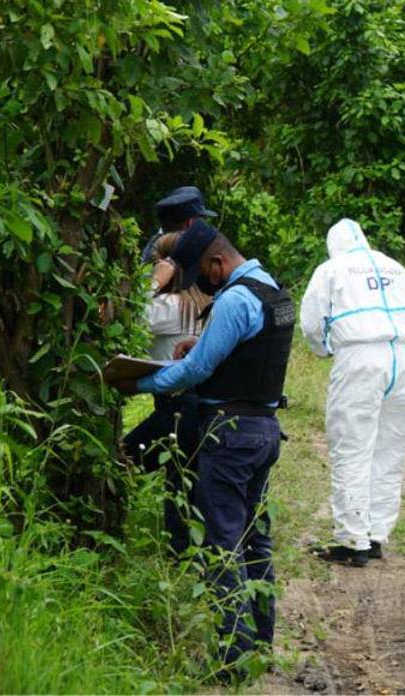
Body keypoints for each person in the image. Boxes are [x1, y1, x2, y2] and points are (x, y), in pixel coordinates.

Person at [116, 220, 292, 677]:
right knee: (256, 538)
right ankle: (261, 643)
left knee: (222, 543)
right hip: (264, 429)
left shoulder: (234, 298)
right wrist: (204, 342)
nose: (205, 284)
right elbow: (250, 352)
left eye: (204, 274)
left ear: (217, 261)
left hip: (229, 436)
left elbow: (194, 371)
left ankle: (232, 657)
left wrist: (133, 383)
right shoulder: (272, 290)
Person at [300, 219, 405, 567]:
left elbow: (311, 322)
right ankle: (376, 533)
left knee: (351, 446)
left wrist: (324, 349)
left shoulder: (331, 269)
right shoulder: (395, 267)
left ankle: (353, 540)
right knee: (391, 447)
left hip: (360, 356)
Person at [122, 188, 216, 557]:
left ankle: (182, 556)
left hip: (177, 404)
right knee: (185, 481)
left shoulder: (169, 306)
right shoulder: (198, 300)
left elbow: (129, 314)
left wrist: (154, 281)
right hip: (192, 404)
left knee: (133, 463)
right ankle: (188, 554)